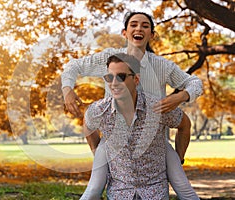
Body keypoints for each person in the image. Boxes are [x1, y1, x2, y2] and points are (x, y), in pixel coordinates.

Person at [61, 11, 201, 199]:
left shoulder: (163, 66)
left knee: (184, 189)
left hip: (154, 141)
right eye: (133, 25)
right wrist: (67, 90)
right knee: (93, 190)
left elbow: (195, 83)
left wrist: (181, 96)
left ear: (152, 35)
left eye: (145, 26)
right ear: (125, 32)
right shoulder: (109, 59)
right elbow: (73, 66)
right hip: (114, 140)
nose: (139, 28)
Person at [82, 53, 191, 199]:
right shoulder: (99, 111)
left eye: (121, 77)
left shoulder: (156, 108)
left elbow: (184, 124)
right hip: (119, 192)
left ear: (136, 79)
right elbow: (87, 124)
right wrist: (98, 153)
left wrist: (178, 158)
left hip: (154, 192)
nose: (114, 83)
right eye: (109, 77)